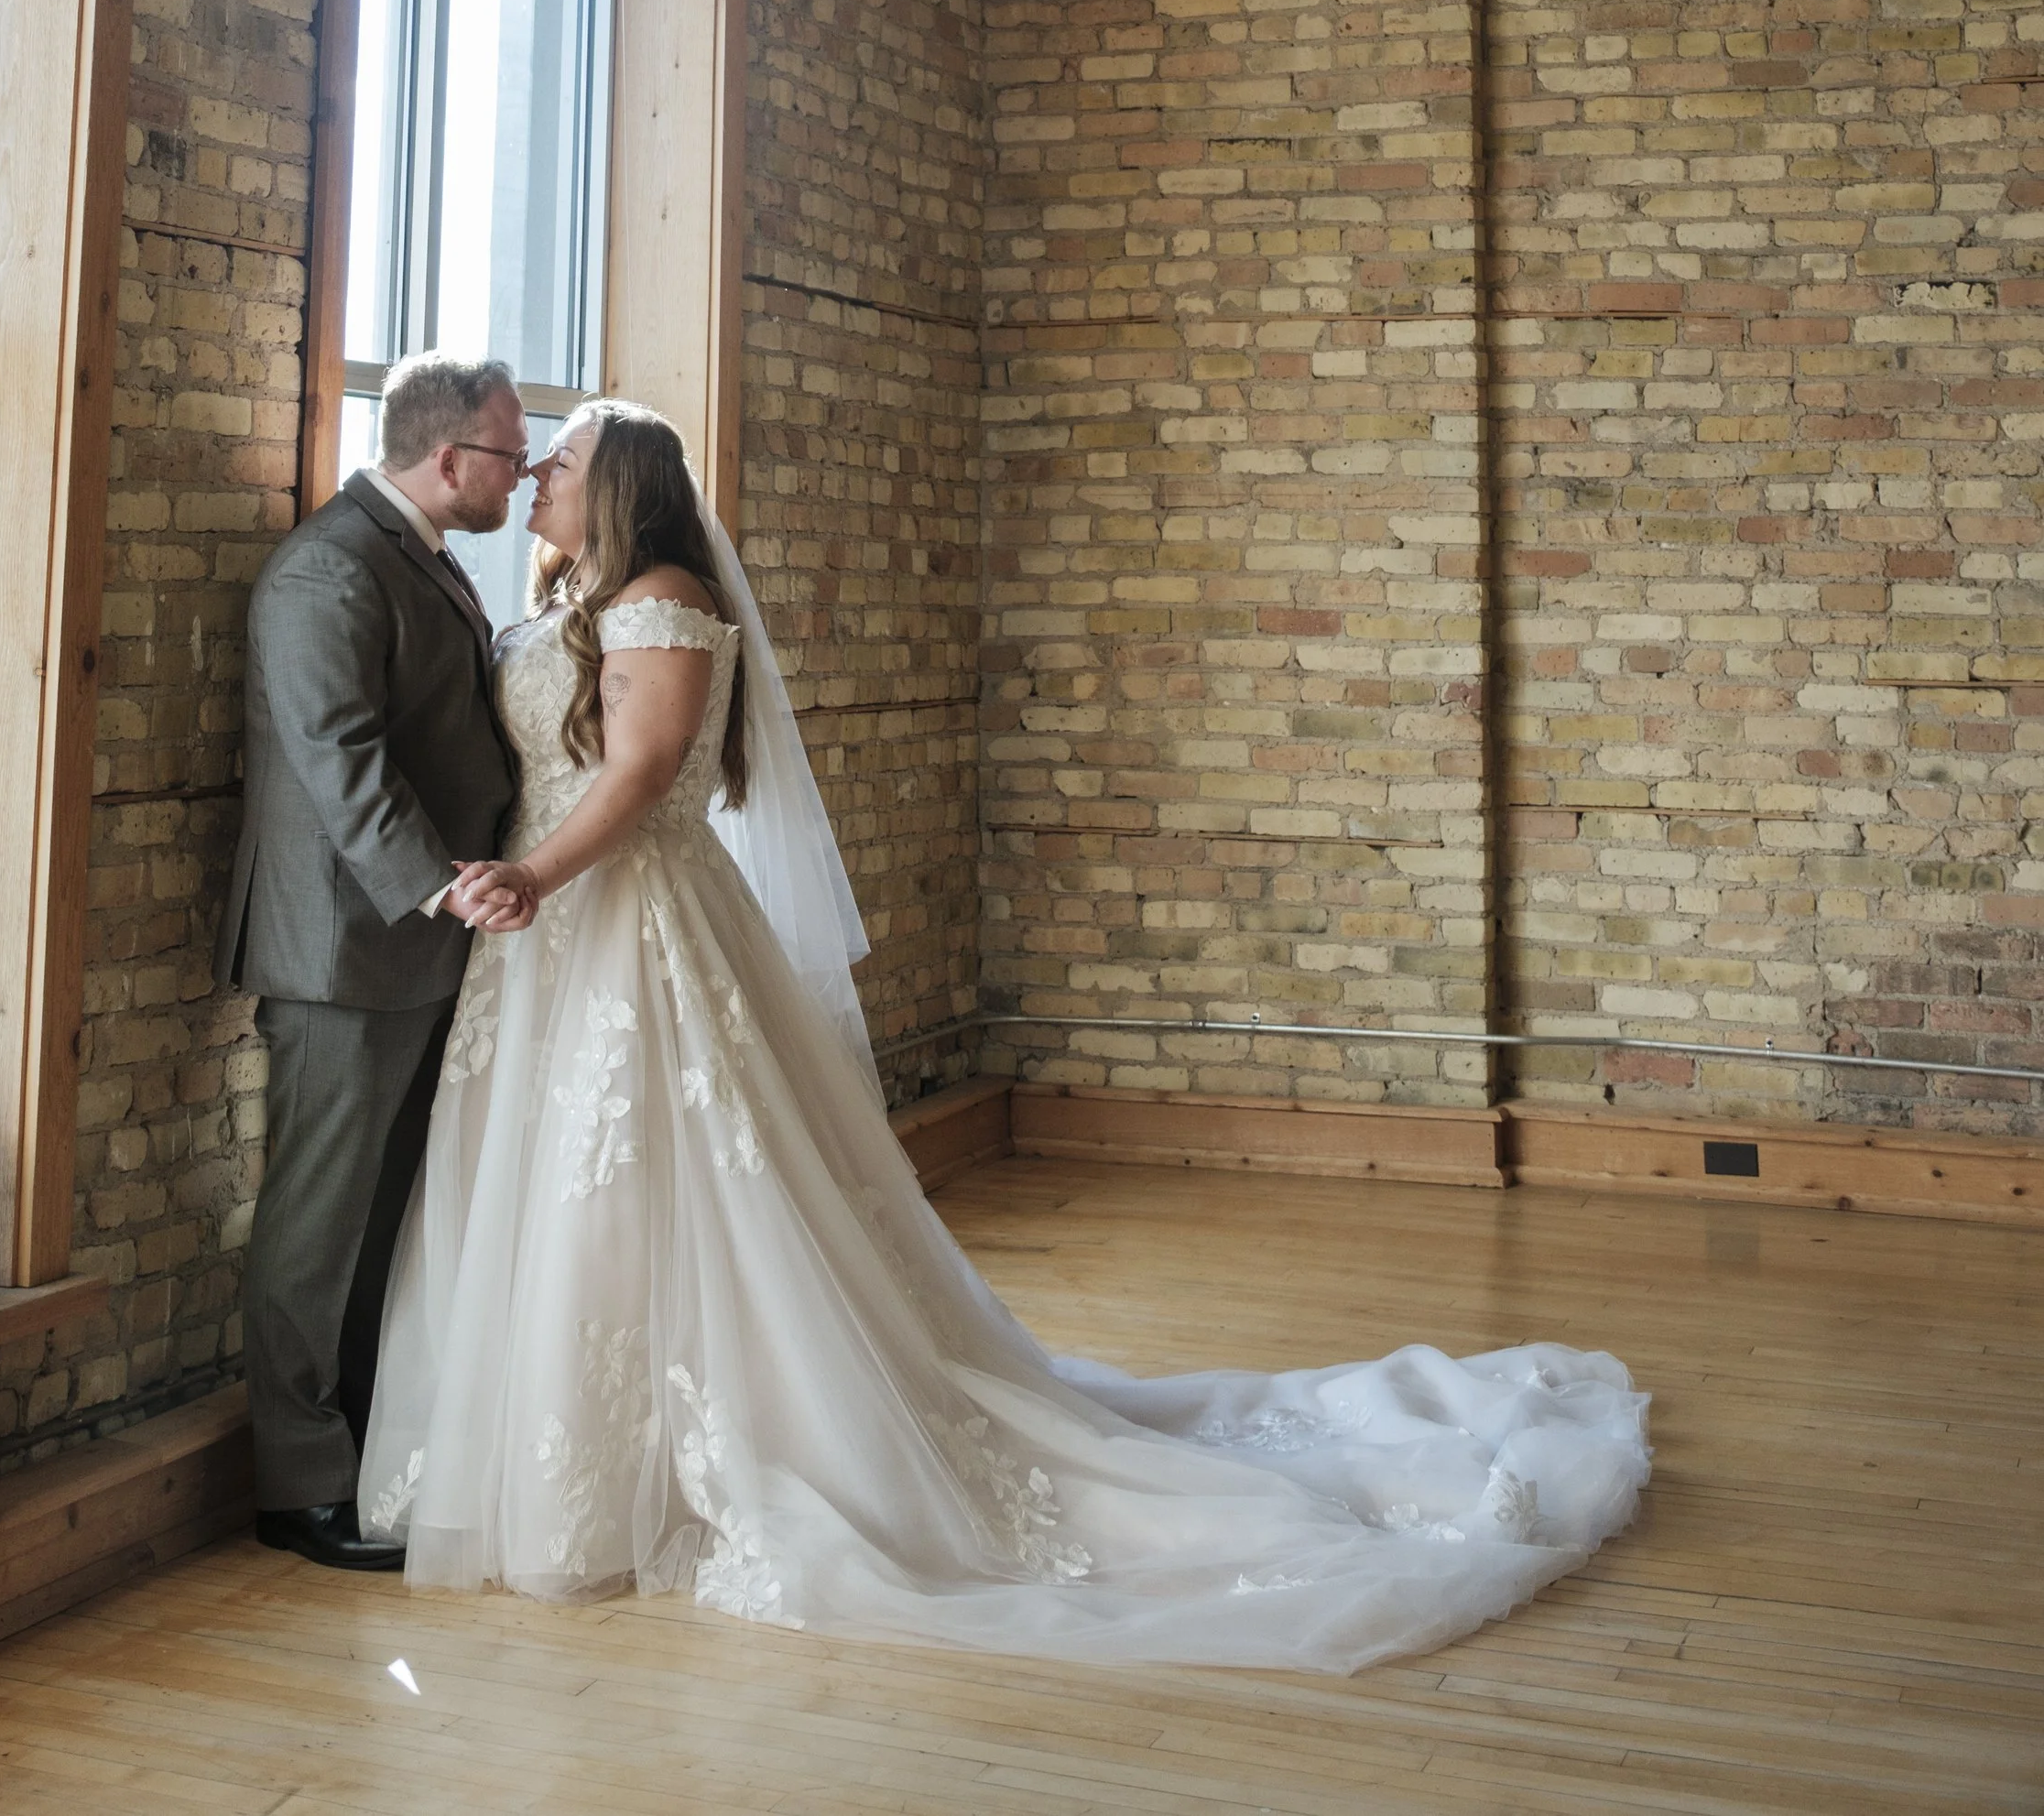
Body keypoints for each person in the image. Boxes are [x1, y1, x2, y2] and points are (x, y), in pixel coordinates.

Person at [352, 397, 1649, 1669]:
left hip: (625, 923)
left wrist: (536, 878)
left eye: (560, 461)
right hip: (548, 943)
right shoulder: (568, 600)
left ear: (620, 480)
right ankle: (578, 1459)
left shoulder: (663, 596)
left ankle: (717, 1456)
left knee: (670, 1184)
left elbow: (637, 774)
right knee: (583, 1195)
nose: (537, 479)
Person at [216, 351, 529, 1570]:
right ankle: (299, 1487)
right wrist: (443, 885)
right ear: (449, 458)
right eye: (510, 452)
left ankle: (365, 1454)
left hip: (421, 943)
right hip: (345, 948)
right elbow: (341, 760)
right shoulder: (326, 570)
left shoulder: (417, 554)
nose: (524, 471)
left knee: (385, 1221)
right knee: (317, 1225)